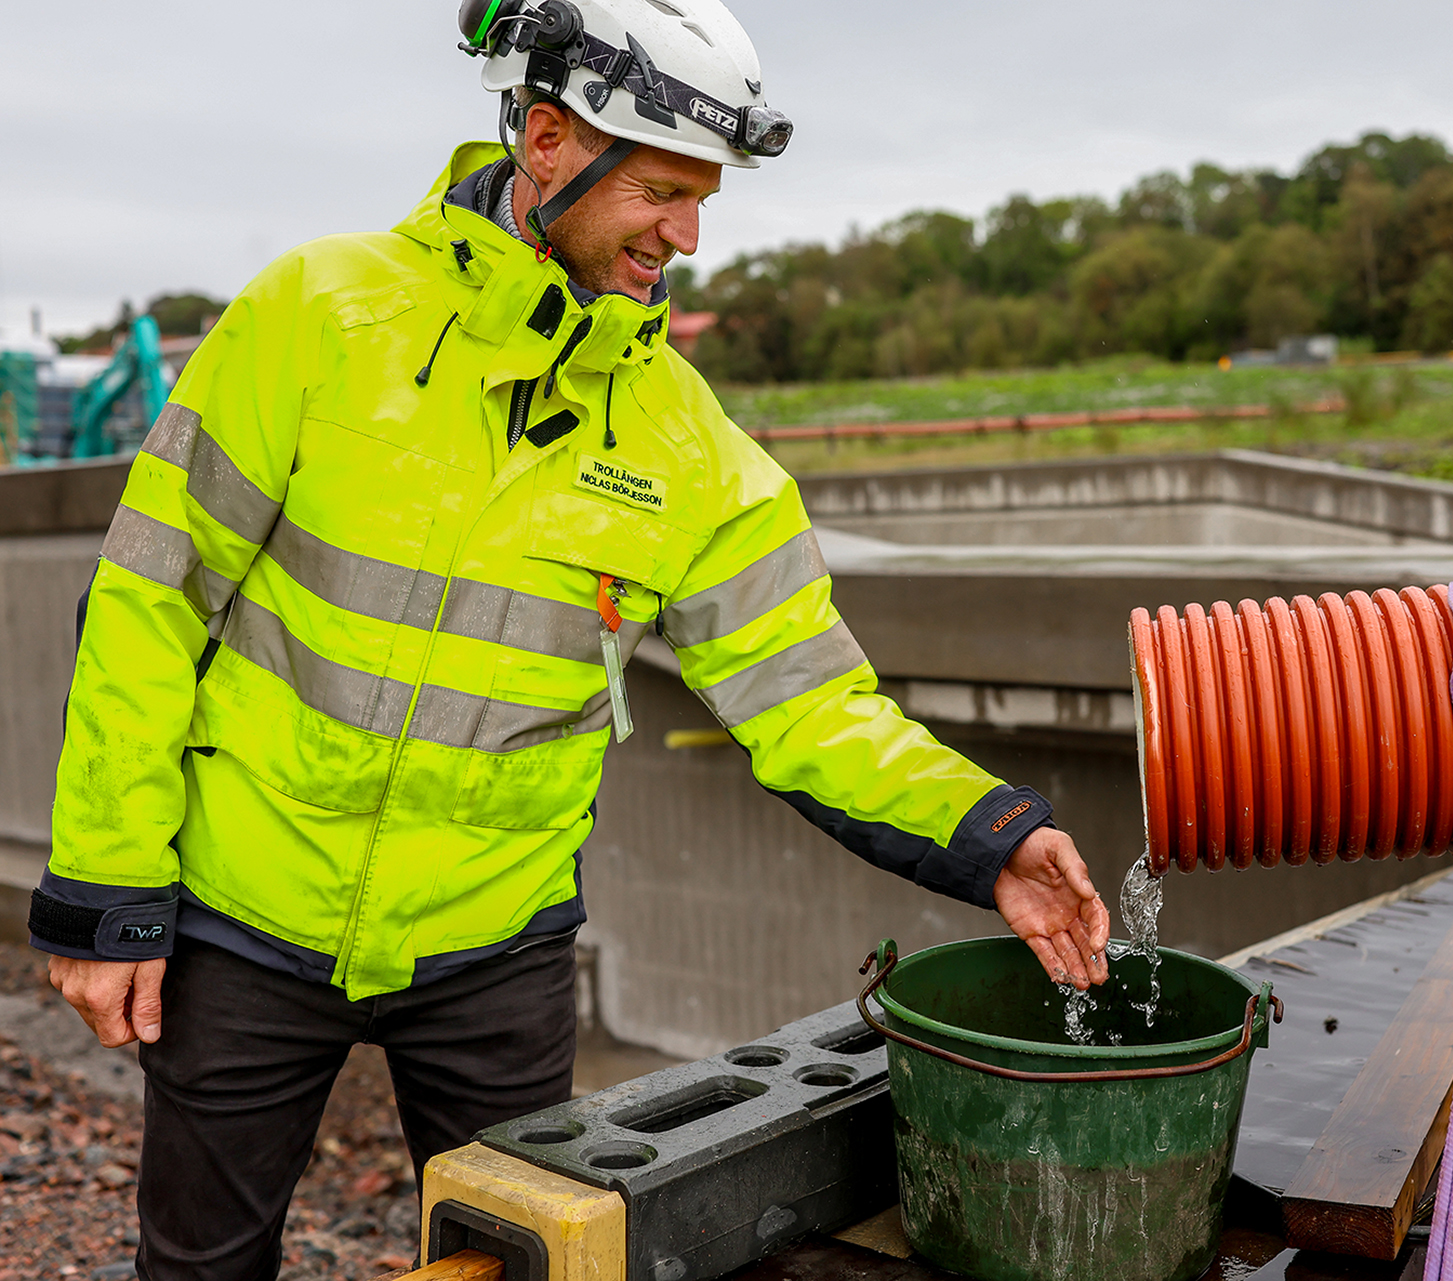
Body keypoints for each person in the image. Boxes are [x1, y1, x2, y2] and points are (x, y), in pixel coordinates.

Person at [27, 2, 1110, 1276]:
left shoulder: (693, 451)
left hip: (497, 951)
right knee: (199, 1266)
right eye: (662, 192)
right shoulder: (316, 316)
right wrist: (106, 890)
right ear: (547, 141)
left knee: (538, 1261)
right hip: (240, 916)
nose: (687, 237)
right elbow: (150, 600)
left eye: (703, 201)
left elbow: (813, 703)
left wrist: (991, 834)